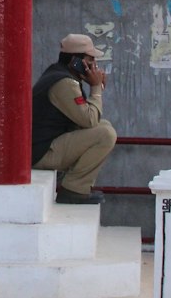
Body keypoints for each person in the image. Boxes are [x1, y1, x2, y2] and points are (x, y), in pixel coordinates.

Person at [31, 32, 117, 204]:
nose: (95, 66)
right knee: (106, 134)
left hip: (44, 146)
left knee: (104, 125)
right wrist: (95, 88)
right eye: (91, 60)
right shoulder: (64, 83)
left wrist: (95, 88)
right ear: (76, 62)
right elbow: (88, 120)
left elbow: (84, 119)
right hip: (42, 153)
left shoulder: (59, 74)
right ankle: (75, 188)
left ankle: (75, 185)